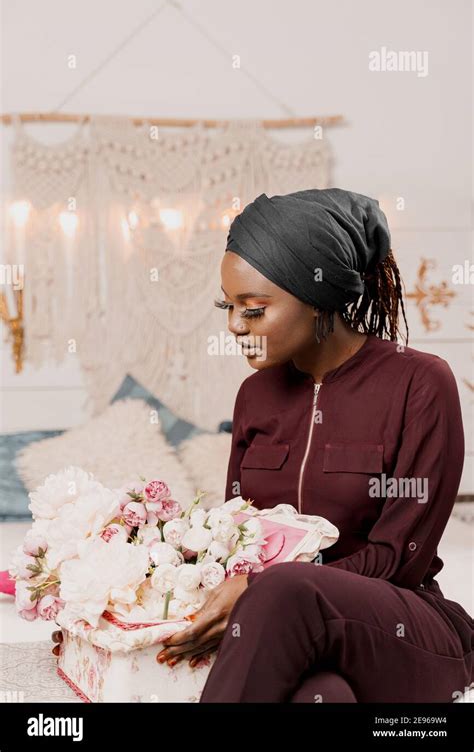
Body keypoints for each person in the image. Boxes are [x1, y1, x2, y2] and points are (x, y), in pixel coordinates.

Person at [54, 188, 473, 703]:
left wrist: (263, 591)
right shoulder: (256, 395)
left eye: (253, 310)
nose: (234, 325)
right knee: (320, 697)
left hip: (401, 628)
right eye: (227, 307)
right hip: (288, 631)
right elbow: (237, 536)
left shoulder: (420, 382)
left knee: (283, 590)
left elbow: (397, 560)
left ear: (319, 298)